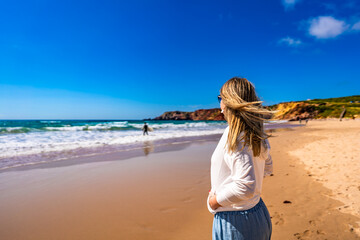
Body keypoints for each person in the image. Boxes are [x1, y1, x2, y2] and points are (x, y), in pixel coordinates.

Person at [208, 77, 274, 240]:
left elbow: (245, 186)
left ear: (230, 101)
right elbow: (268, 167)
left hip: (237, 222)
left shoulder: (236, 135)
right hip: (257, 212)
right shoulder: (255, 132)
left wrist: (214, 201)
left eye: (220, 98)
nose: (220, 105)